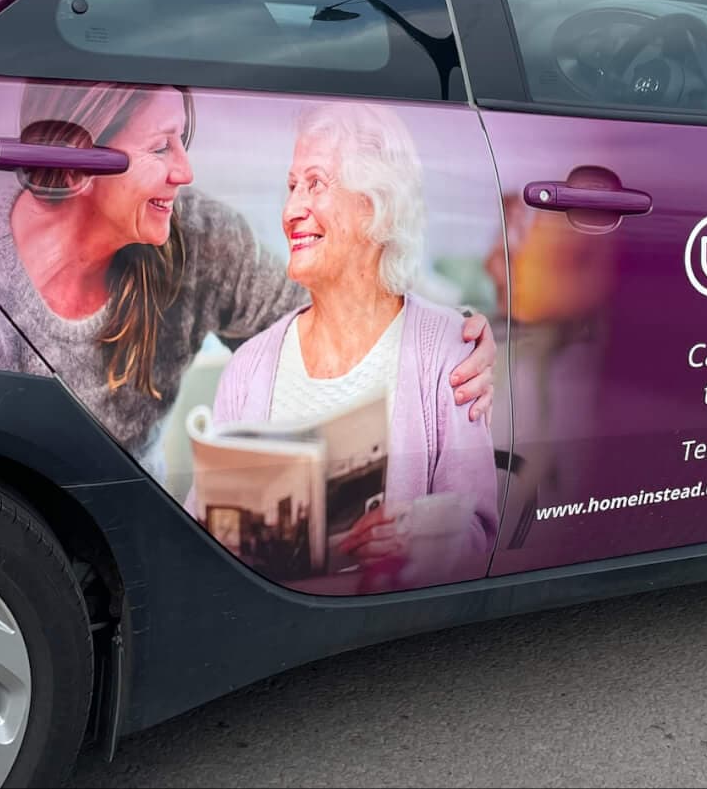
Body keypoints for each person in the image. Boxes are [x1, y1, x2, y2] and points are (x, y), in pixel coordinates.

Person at [0, 81, 495, 475]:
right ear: (74, 166)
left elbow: (342, 309)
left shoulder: (198, 236)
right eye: (161, 147)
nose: (185, 171)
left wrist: (455, 334)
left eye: (183, 139)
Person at [207, 101, 498, 587]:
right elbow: (206, 531)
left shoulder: (447, 350)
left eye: (315, 183)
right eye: (291, 186)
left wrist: (413, 539)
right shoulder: (249, 367)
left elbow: (478, 529)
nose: (291, 210)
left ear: (375, 202)